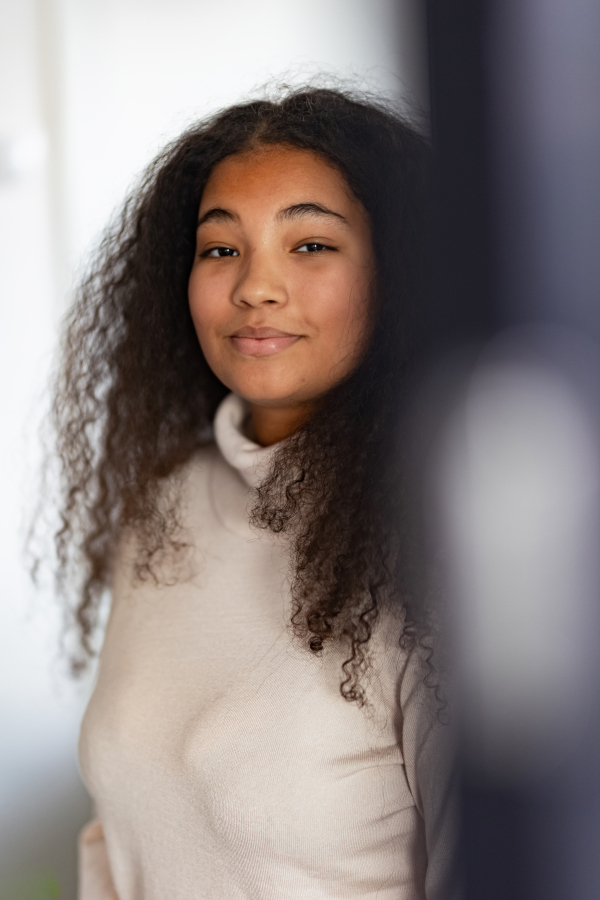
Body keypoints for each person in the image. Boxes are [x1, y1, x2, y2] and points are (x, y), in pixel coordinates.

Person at [49, 87, 457, 899]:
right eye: (221, 250)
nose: (256, 288)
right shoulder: (162, 507)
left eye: (310, 245)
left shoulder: (433, 543)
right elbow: (125, 837)